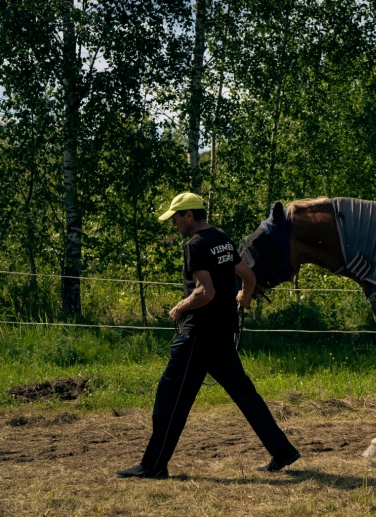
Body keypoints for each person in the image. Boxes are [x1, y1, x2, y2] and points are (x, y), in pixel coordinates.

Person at [116, 192, 300, 479]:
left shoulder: (196, 244)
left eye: (175, 218)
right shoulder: (223, 239)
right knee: (245, 394)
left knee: (171, 396)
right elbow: (248, 277)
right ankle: (283, 451)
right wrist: (244, 297)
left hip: (199, 333)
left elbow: (205, 292)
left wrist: (180, 306)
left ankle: (153, 465)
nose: (174, 225)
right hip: (223, 331)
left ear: (189, 215)